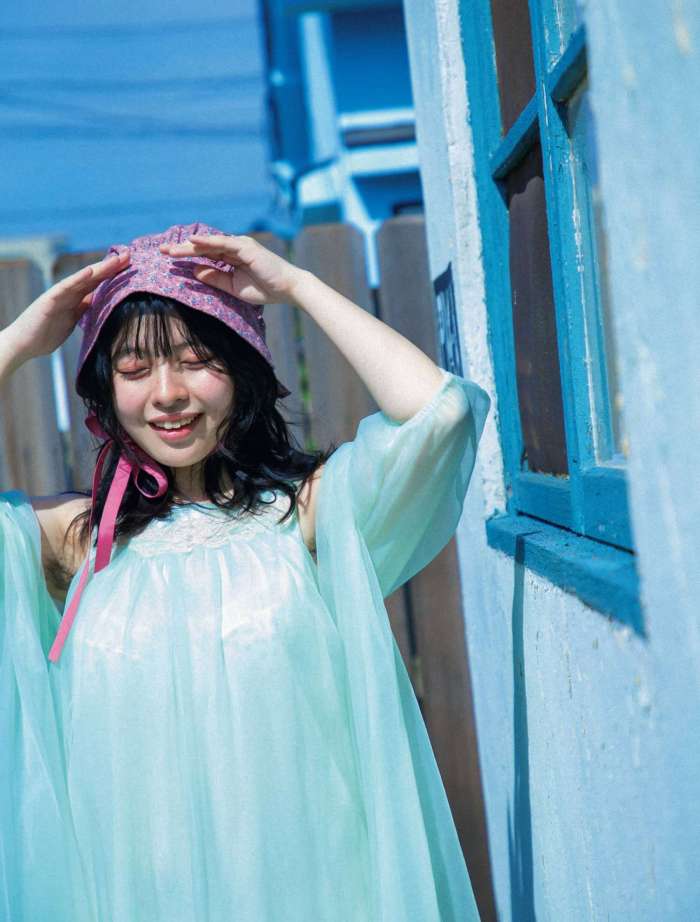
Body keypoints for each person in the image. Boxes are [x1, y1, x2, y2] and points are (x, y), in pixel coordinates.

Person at [0, 223, 490, 921]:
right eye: (134, 370)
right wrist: (18, 341)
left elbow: (440, 414)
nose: (167, 393)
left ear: (242, 368)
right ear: (106, 392)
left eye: (197, 360)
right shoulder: (75, 542)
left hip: (317, 891)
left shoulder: (307, 515)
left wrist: (299, 286)